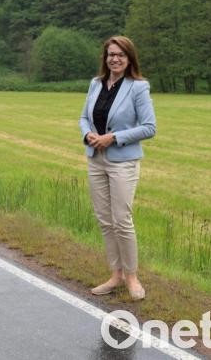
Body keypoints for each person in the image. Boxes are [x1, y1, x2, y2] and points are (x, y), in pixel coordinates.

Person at [78, 35, 156, 301]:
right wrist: (87, 133)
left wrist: (114, 137)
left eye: (120, 54)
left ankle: (132, 277)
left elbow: (149, 127)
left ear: (129, 58)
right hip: (95, 159)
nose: (115, 59)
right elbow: (83, 117)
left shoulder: (138, 87)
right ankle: (116, 274)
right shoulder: (96, 84)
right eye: (111, 54)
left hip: (122, 161)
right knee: (105, 220)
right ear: (105, 57)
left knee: (122, 220)